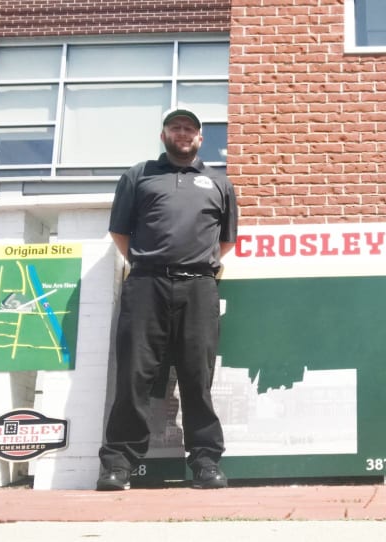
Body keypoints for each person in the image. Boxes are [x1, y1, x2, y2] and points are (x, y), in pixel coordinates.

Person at [96, 108, 238, 491]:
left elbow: (225, 241)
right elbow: (120, 232)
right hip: (146, 286)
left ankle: (206, 463)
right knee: (134, 375)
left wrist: (191, 267)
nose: (183, 133)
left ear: (200, 137)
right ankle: (118, 465)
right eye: (176, 127)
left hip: (199, 287)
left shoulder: (219, 183)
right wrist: (152, 264)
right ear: (164, 135)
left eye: (189, 128)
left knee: (197, 377)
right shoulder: (139, 175)